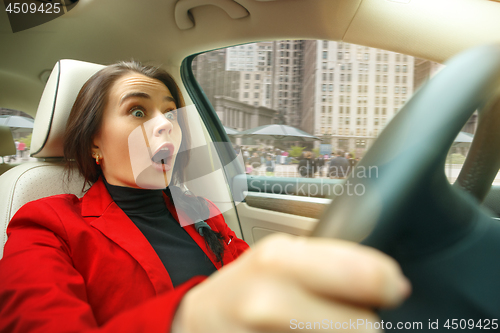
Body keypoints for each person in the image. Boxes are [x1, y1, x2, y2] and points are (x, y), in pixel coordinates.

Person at [0, 62, 410, 333]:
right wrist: (188, 319)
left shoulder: (198, 209)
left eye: (170, 112)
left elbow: (254, 280)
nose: (166, 125)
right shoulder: (46, 223)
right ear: (94, 144)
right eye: (139, 112)